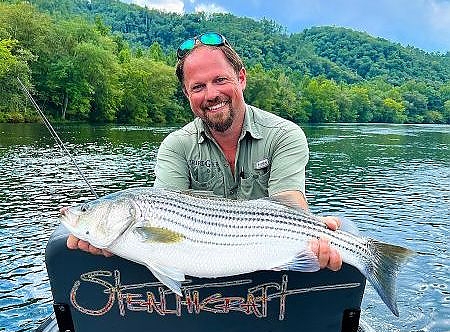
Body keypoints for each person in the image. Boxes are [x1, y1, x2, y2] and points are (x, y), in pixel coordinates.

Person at [67, 32, 342, 271]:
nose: (211, 94)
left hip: (270, 275)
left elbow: (289, 204)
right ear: (187, 94)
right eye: (198, 87)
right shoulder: (175, 146)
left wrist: (314, 237)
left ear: (242, 78)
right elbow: (162, 234)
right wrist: (115, 245)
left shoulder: (285, 134)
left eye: (220, 80)